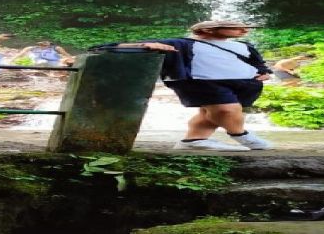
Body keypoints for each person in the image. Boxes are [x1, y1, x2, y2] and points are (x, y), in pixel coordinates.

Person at [114, 20, 274, 152]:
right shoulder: (181, 43)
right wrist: (146, 46)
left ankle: (194, 140)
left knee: (208, 114)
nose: (243, 30)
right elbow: (114, 47)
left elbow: (258, 63)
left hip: (244, 84)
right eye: (235, 28)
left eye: (244, 28)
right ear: (208, 30)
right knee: (225, 110)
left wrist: (264, 72)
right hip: (202, 83)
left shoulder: (244, 46)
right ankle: (241, 135)